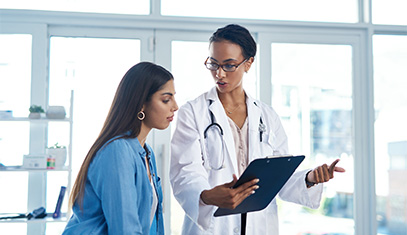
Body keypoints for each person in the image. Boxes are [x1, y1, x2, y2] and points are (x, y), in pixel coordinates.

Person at [170, 24, 345, 235]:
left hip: (259, 227)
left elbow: (280, 178)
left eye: (229, 65)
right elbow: (185, 172)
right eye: (213, 64)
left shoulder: (268, 117)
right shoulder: (193, 112)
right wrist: (207, 196)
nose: (219, 73)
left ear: (248, 63)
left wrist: (310, 179)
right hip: (213, 228)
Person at [63, 62, 178, 235]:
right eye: (166, 100)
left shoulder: (147, 153)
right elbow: (125, 229)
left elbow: (151, 223)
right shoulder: (118, 151)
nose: (175, 106)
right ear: (141, 104)